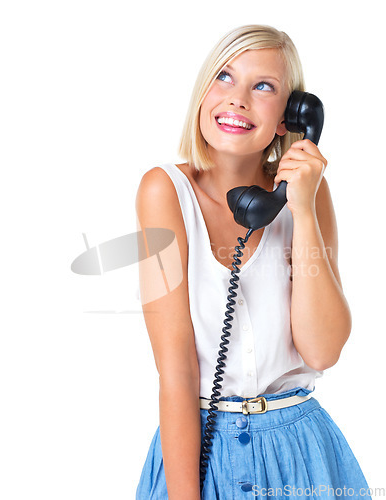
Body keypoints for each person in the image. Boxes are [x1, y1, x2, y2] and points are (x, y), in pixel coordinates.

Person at [135, 25, 371, 499]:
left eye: (263, 86)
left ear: (291, 117)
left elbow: (322, 350)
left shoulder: (308, 194)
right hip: (201, 449)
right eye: (224, 76)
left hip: (300, 450)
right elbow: (177, 369)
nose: (238, 98)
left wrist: (300, 208)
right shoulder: (164, 192)